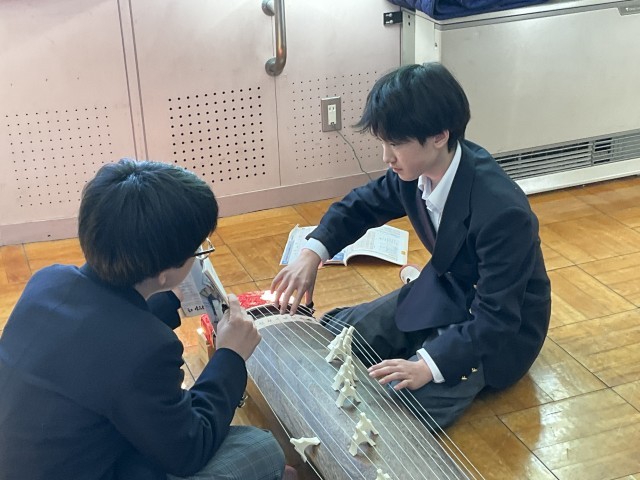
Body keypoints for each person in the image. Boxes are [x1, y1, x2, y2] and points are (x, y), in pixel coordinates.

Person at [271, 63, 551, 429]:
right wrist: (311, 254)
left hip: (501, 328)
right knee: (337, 335)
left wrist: (426, 366)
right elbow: (360, 206)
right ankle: (422, 341)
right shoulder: (414, 172)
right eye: (383, 143)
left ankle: (428, 352)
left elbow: (497, 318)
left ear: (439, 136)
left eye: (395, 144)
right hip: (447, 287)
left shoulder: (503, 211)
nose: (386, 157)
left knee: (400, 409)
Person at [0, 159, 290, 480]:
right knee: (262, 448)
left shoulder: (48, 280)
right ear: (165, 273)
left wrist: (168, 300)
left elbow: (100, 339)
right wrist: (230, 356)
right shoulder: (148, 349)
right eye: (197, 250)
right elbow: (189, 450)